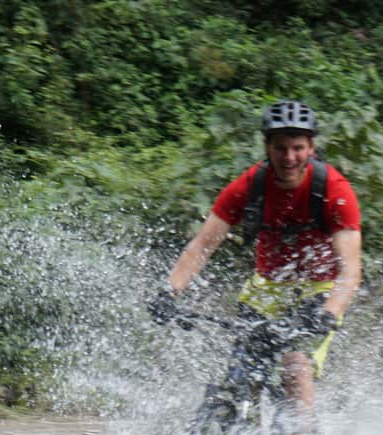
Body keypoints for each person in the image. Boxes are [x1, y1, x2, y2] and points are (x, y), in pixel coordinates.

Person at [149, 99, 362, 416]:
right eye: (280, 148)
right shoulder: (249, 187)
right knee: (242, 376)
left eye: (298, 148)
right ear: (267, 147)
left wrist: (328, 313)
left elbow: (350, 270)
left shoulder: (334, 190)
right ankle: (237, 427)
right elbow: (201, 246)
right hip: (266, 288)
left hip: (320, 289)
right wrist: (170, 291)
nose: (289, 157)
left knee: (296, 368)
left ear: (311, 148)